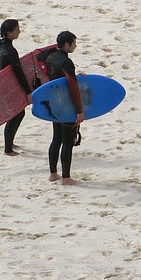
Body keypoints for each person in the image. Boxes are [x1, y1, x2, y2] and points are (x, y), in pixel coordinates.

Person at [42, 31, 83, 184]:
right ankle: (66, 178)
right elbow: (73, 87)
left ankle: (53, 174)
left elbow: (57, 79)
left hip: (54, 103)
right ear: (67, 45)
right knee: (67, 141)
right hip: (66, 106)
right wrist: (79, 111)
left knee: (56, 138)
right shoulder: (67, 63)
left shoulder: (51, 57)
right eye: (74, 43)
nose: (75, 46)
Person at [0, 19, 31, 156]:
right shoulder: (10, 51)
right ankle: (8, 149)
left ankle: (10, 142)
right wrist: (28, 91)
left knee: (17, 113)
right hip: (10, 87)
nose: (19, 32)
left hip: (2, 85)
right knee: (16, 114)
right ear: (9, 33)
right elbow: (18, 72)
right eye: (17, 30)